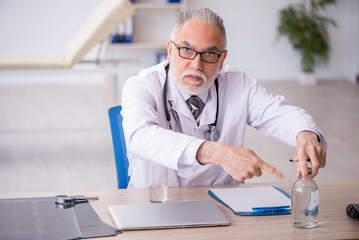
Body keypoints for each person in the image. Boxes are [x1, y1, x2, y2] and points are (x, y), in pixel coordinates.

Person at [121, 8, 327, 188]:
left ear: (222, 59)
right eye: (186, 50)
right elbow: (140, 136)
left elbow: (279, 114)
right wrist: (217, 152)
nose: (196, 64)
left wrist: (305, 134)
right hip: (154, 206)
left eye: (209, 54)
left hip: (223, 207)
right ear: (169, 50)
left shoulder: (239, 84)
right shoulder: (142, 85)